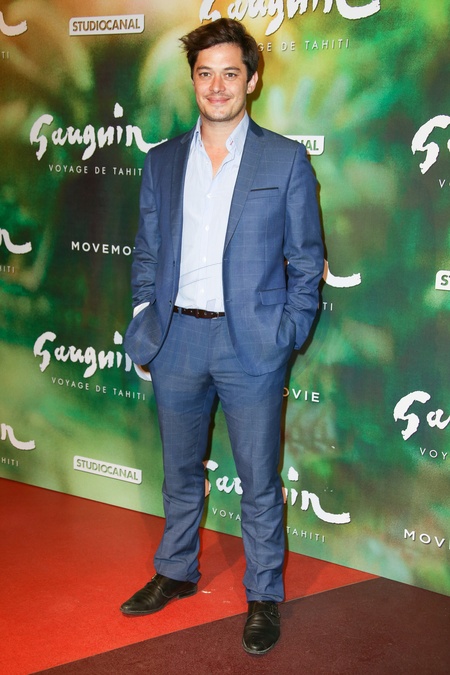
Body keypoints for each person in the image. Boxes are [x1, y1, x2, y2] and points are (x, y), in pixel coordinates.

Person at [121, 18, 324, 656]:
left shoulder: (285, 160)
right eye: (205, 74)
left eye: (230, 73)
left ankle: (264, 594)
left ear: (251, 80)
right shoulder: (161, 161)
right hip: (176, 337)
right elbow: (147, 252)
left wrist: (286, 334)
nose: (217, 86)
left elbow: (306, 261)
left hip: (252, 346)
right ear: (193, 80)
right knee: (179, 472)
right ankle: (176, 570)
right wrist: (145, 320)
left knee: (259, 480)